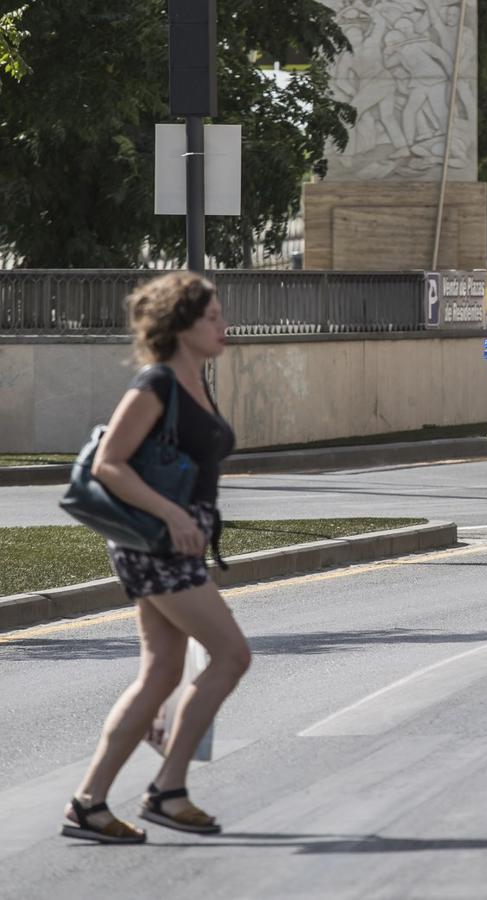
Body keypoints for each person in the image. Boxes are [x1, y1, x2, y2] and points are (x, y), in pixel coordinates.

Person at [63, 272, 247, 844]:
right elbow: (108, 465)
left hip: (174, 543)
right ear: (181, 324)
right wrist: (171, 515)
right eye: (213, 316)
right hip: (156, 545)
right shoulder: (156, 384)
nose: (224, 325)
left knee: (162, 672)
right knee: (230, 653)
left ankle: (90, 804)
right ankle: (167, 788)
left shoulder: (194, 380)